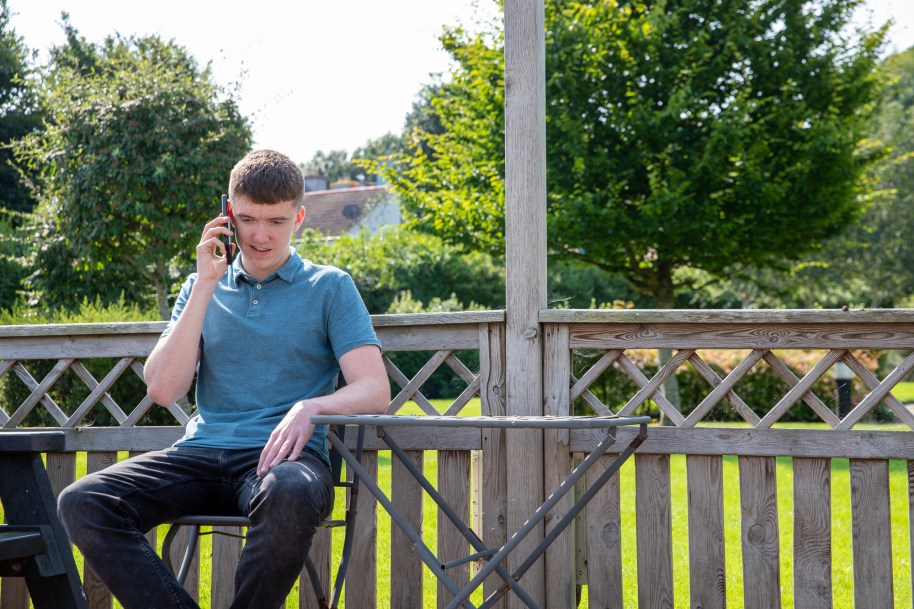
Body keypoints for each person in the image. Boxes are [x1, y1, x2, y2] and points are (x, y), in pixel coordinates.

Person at [57, 149, 390, 609]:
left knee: (290, 491)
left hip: (284, 462)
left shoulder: (330, 287)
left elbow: (375, 388)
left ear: (299, 219)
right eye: (248, 219)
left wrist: (311, 407)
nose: (259, 235)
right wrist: (206, 285)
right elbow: (162, 389)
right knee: (83, 501)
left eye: (275, 221)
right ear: (228, 213)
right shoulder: (200, 286)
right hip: (200, 454)